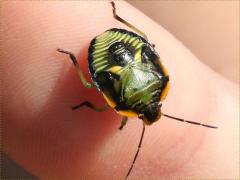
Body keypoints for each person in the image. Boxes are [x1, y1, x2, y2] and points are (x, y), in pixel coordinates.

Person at [1, 1, 239, 179]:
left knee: (142, 39)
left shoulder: (162, 84)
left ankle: (114, 19)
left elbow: (153, 56)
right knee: (89, 87)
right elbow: (102, 99)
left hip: (119, 47)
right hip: (109, 56)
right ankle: (84, 46)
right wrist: (87, 97)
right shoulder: (123, 107)